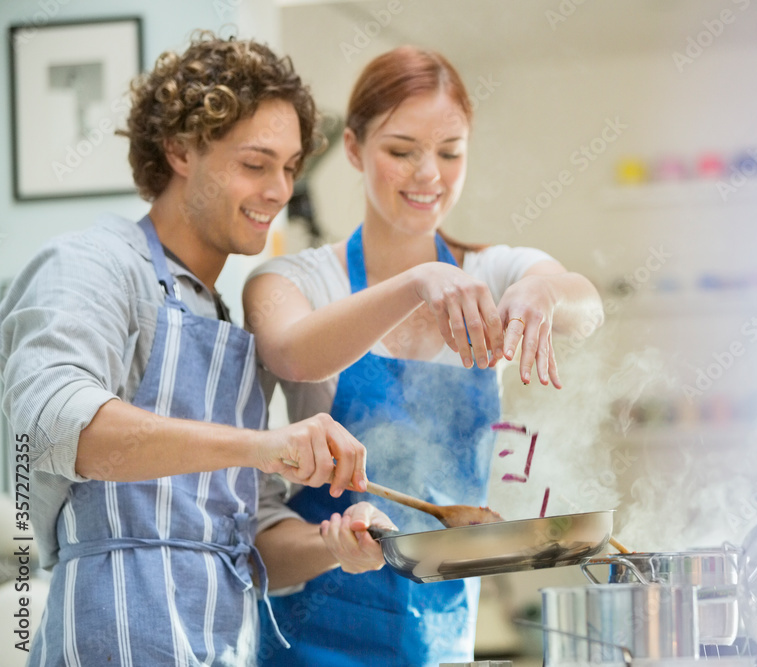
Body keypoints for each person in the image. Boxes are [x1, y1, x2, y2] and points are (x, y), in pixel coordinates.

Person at [0, 32, 391, 666]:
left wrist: (334, 545)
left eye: (290, 167)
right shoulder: (93, 266)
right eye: (255, 163)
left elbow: (247, 540)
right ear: (180, 149)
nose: (280, 190)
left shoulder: (223, 317)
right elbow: (47, 425)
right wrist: (265, 447)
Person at [243, 46, 605, 666]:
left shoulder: (492, 271)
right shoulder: (296, 281)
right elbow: (291, 352)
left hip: (441, 639)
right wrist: (417, 283)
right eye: (401, 150)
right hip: (312, 638)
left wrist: (540, 290)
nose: (428, 174)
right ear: (353, 149)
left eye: (450, 151)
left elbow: (586, 305)